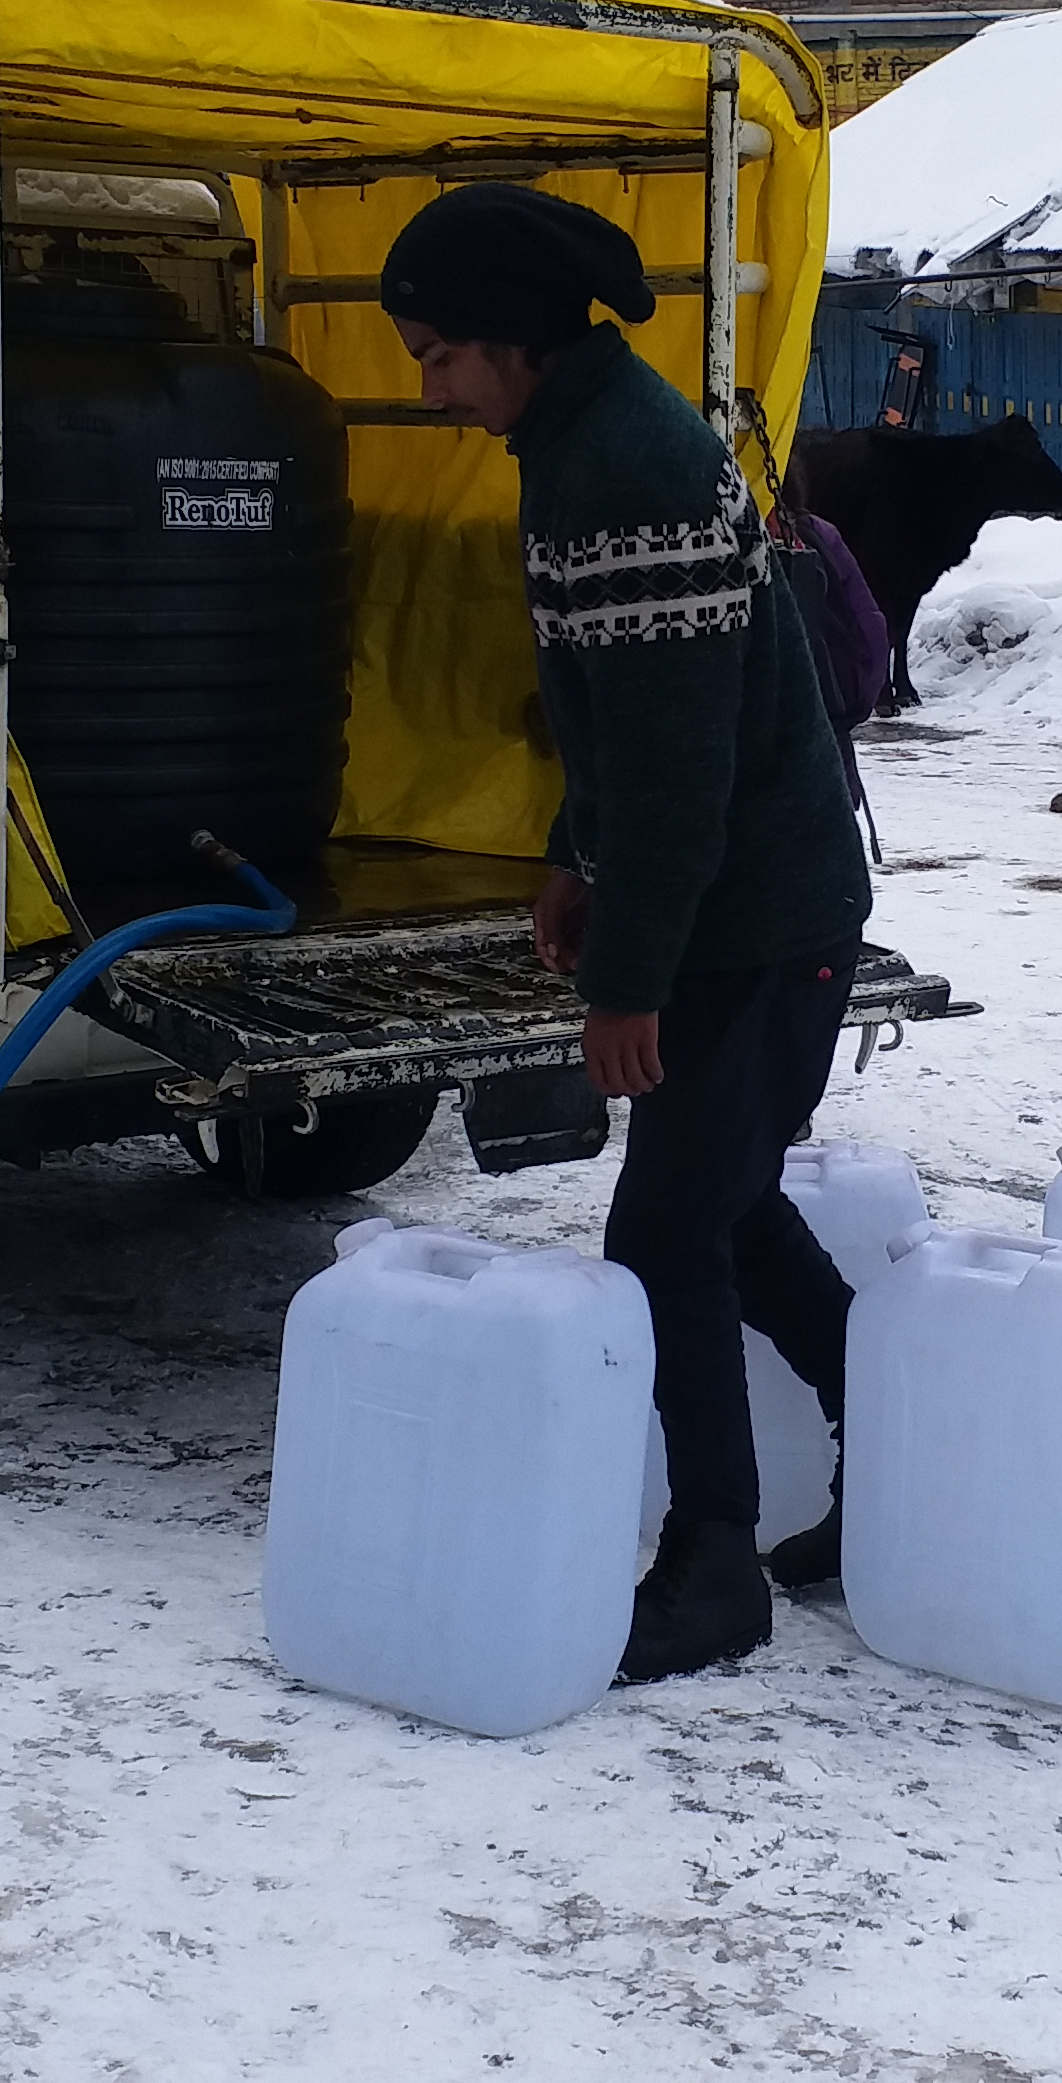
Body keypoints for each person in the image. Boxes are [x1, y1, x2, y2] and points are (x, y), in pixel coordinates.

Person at [383, 183, 876, 1685]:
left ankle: (714, 1566)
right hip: (739, 900)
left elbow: (681, 767)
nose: (428, 387)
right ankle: (907, 1455)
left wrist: (625, 981)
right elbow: (626, 718)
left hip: (760, 913)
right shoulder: (578, 440)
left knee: (667, 1227)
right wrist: (569, 857)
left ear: (516, 344)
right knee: (717, 1205)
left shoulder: (628, 467)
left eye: (439, 354)